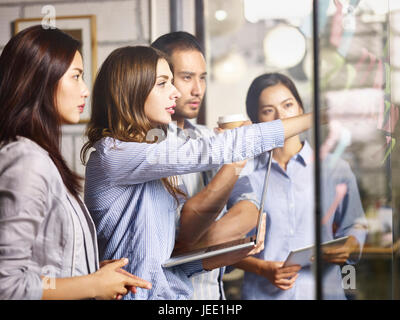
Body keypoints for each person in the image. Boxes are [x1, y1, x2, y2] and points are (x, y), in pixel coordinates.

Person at [81, 46, 315, 300]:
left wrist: (225, 255)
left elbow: (163, 268)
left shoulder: (156, 156)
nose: (175, 92)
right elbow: (213, 149)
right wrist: (317, 118)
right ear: (132, 90)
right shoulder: (113, 155)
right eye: (163, 83)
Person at [0, 25, 151, 300]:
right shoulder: (26, 160)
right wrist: (91, 285)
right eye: (76, 77)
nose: (85, 91)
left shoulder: (41, 156)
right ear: (41, 79)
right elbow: (6, 285)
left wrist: (92, 273)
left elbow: (44, 262)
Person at [231, 73, 368, 300]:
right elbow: (225, 249)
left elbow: (355, 223)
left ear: (301, 109)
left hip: (324, 291)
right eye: (268, 111)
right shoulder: (244, 175)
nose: (281, 117)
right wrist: (261, 268)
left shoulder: (335, 168)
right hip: (264, 294)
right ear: (256, 121)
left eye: (287, 105)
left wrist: (351, 244)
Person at [151, 31, 260, 300]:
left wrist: (192, 245)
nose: (197, 89)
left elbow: (250, 206)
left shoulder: (211, 136)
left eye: (202, 78)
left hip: (213, 295)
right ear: (159, 78)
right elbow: (172, 238)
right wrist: (219, 241)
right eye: (187, 77)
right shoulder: (145, 147)